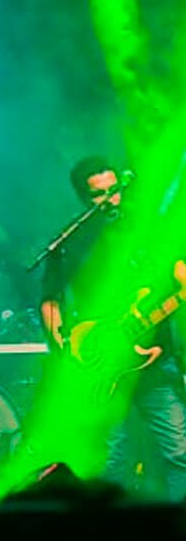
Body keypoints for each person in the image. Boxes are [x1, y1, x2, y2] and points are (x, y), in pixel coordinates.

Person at [40, 154, 186, 499]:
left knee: (180, 451)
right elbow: (50, 300)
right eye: (99, 194)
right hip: (101, 365)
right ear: (83, 198)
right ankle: (109, 538)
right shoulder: (70, 242)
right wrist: (64, 349)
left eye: (115, 190)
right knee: (111, 459)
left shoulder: (148, 230)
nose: (111, 199)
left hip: (153, 360)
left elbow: (177, 274)